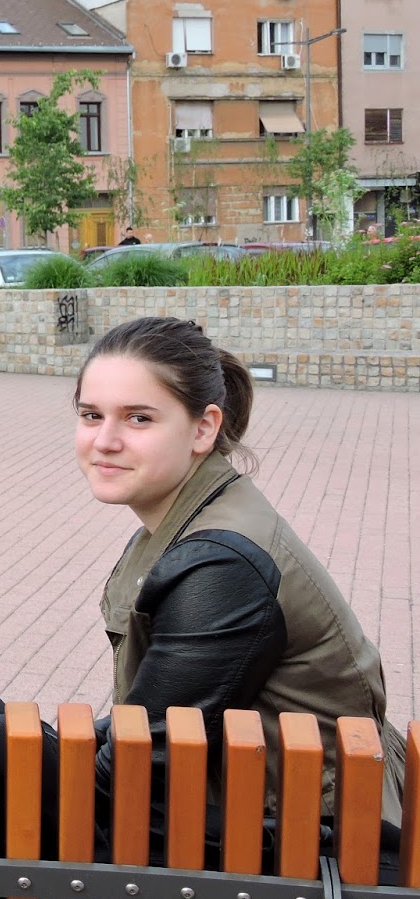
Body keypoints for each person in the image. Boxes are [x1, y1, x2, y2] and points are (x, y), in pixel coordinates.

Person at [75, 315, 404, 831]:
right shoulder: (194, 513)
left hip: (317, 843)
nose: (105, 440)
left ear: (204, 428)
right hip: (280, 815)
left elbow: (138, 764)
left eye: (138, 418)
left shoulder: (221, 566)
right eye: (91, 415)